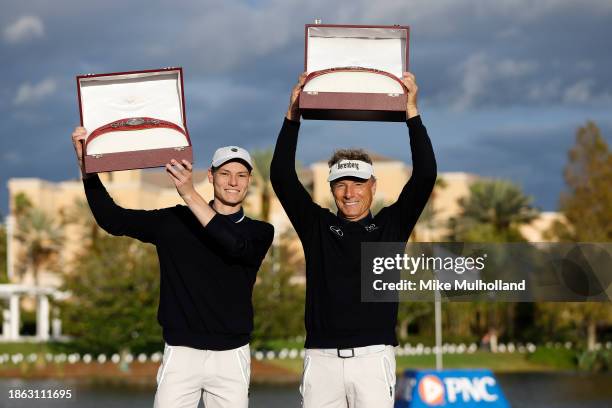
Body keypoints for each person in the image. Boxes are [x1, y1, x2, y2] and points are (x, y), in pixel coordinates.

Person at [70, 130, 274, 408]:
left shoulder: (259, 232)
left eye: (241, 175)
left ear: (249, 181)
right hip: (181, 354)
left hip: (231, 356)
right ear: (211, 177)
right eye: (225, 173)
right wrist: (87, 170)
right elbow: (112, 220)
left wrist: (189, 193)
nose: (233, 182)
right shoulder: (174, 221)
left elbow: (232, 245)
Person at [270, 71, 437, 407]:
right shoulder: (316, 225)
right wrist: (292, 115)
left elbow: (425, 175)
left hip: (373, 361)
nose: (349, 193)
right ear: (331, 189)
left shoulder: (393, 225)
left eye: (358, 183)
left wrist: (412, 113)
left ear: (372, 186)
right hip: (320, 361)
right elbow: (281, 176)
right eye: (341, 184)